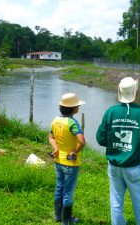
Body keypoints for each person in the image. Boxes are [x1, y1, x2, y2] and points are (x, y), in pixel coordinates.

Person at [96, 77, 140, 225]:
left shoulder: (111, 112)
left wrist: (115, 143)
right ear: (135, 92)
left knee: (116, 201)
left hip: (114, 167)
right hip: (134, 167)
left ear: (119, 92)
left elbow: (100, 139)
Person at [48, 92, 86, 225]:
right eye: (77, 106)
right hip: (70, 163)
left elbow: (51, 137)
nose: (78, 107)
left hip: (58, 161)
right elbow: (81, 142)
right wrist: (75, 152)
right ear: (74, 109)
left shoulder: (55, 120)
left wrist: (56, 148)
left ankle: (58, 216)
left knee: (59, 187)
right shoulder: (73, 123)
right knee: (68, 192)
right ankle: (67, 220)